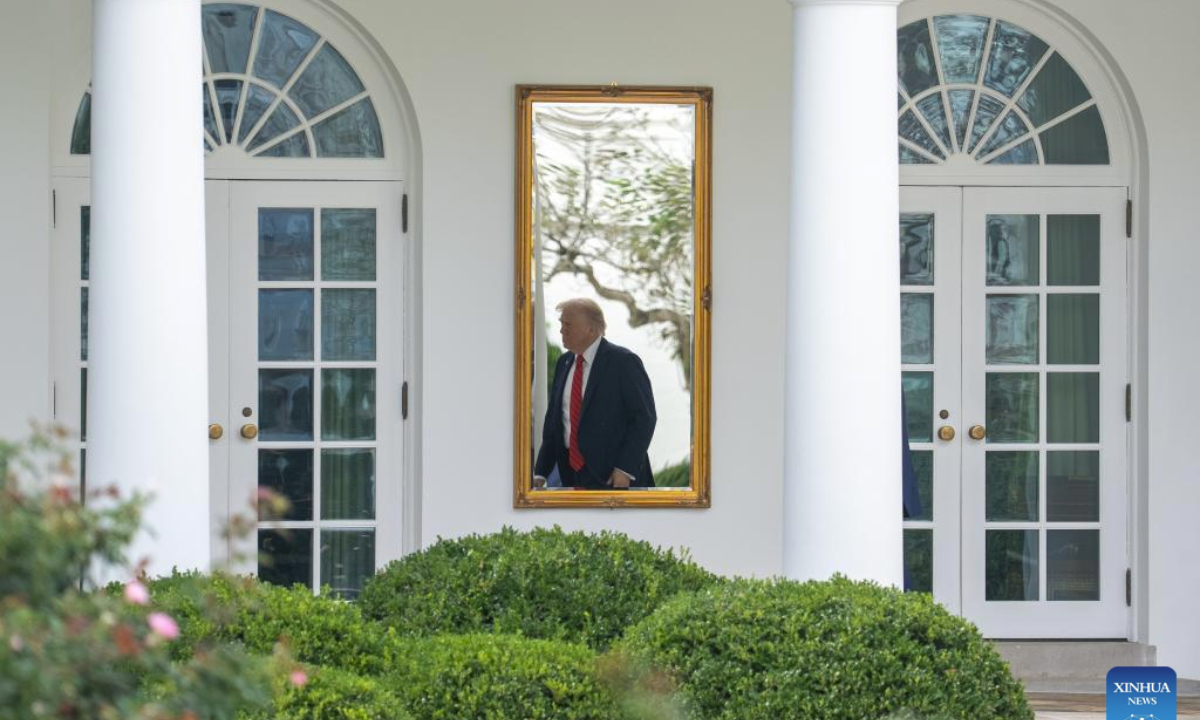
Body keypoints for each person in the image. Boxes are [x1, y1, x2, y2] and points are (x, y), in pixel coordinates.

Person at [534, 298, 657, 489]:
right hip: (572, 477)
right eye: (561, 324)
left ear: (591, 330)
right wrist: (540, 472)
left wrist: (624, 470)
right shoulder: (563, 363)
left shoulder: (623, 362)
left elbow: (644, 419)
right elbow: (553, 426)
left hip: (615, 479)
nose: (561, 330)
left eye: (568, 325)